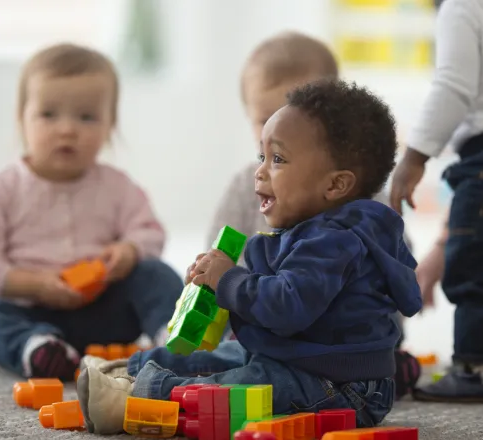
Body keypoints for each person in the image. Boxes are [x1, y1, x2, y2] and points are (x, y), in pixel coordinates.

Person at [76, 80, 422, 434]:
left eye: (278, 160)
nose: (259, 171)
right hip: (297, 358)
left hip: (341, 386)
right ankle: (126, 371)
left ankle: (134, 396)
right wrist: (212, 284)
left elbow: (286, 308)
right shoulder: (314, 230)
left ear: (335, 185)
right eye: (262, 156)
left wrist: (229, 280)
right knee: (221, 357)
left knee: (239, 384)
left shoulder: (335, 242)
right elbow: (270, 302)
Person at [206, 31, 419, 397]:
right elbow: (220, 258)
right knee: (217, 355)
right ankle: (136, 369)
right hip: (264, 318)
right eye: (265, 121)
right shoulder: (247, 185)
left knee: (227, 384)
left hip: (333, 345)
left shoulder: (364, 207)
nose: (278, 131)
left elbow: (396, 275)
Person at [0, 43, 183, 382]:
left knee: (156, 273)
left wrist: (128, 250)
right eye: (49, 114)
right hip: (28, 310)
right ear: (22, 118)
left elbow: (149, 231)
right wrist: (35, 285)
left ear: (110, 126)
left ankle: (172, 342)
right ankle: (37, 349)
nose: (67, 129)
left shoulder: (117, 186)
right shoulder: (0, 189)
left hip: (102, 313)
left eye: (86, 117)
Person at [390, 0, 483, 402]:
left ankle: (473, 368)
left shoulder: (461, 6)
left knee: (472, 268)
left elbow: (453, 85)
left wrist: (414, 157)